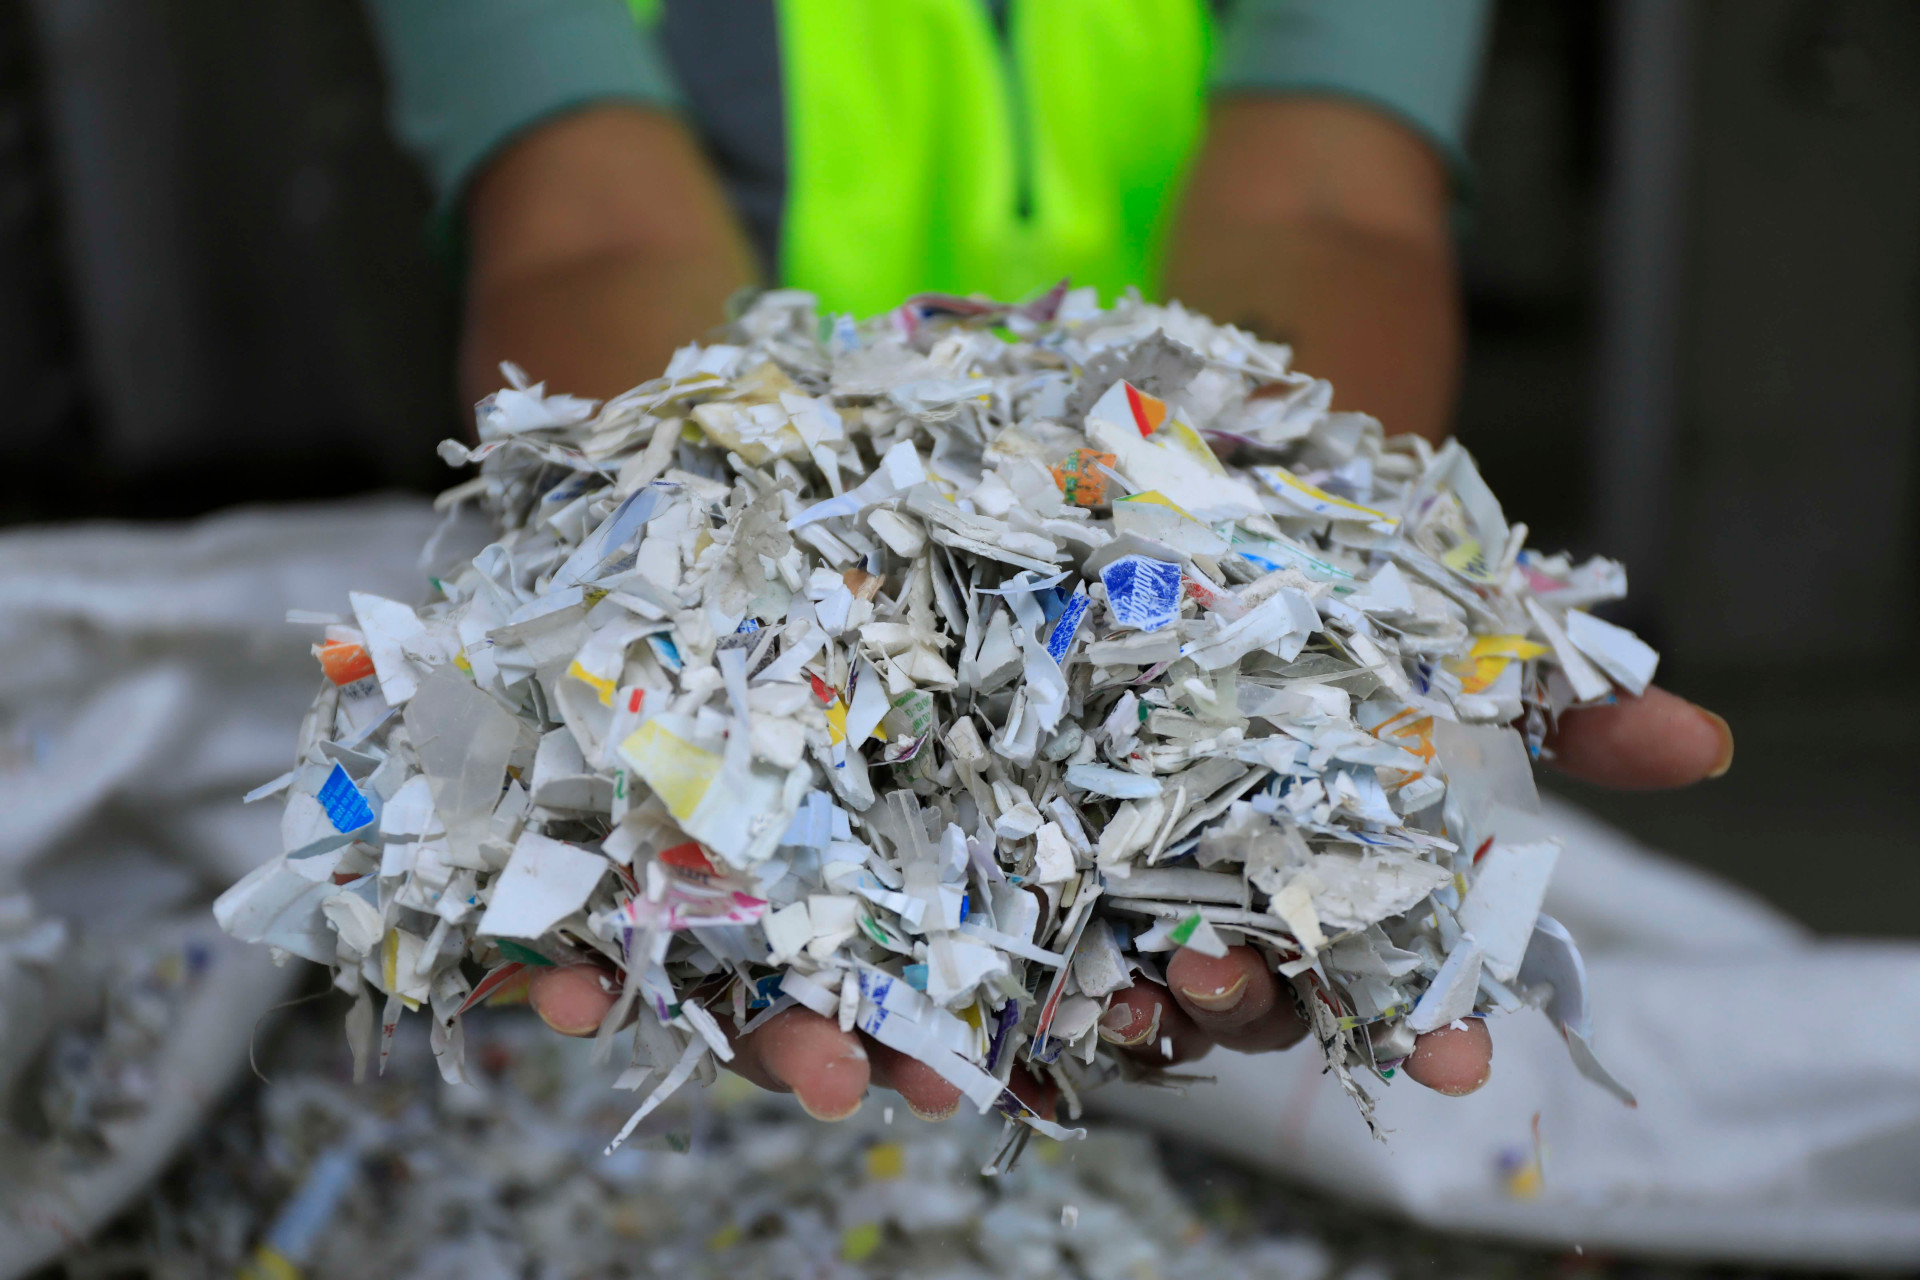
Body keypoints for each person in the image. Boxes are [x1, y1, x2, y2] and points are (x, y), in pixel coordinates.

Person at [362, 0, 1735, 1124]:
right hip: (783, 503)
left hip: (1187, 504)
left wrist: (1315, 583)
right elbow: (593, 225)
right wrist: (683, 608)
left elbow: (1331, 204)